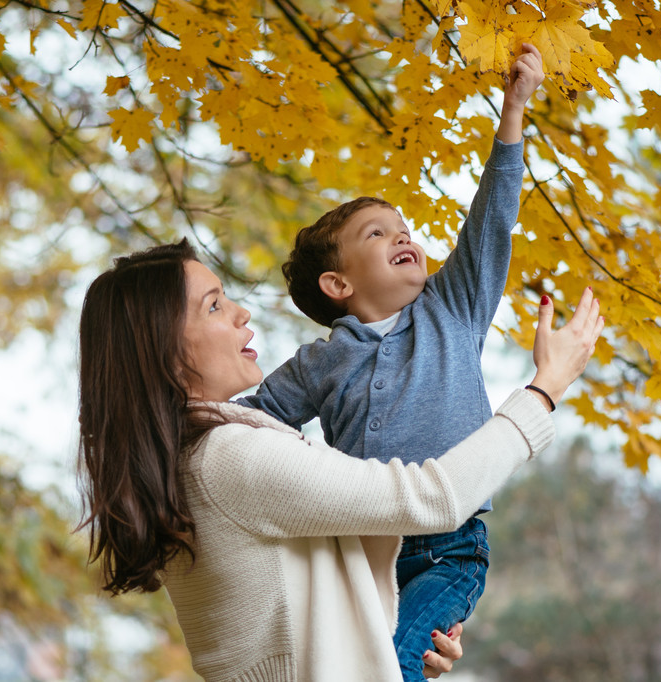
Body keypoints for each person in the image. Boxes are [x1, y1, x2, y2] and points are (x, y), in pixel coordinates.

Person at [78, 239, 603, 681]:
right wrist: (544, 389)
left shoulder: (190, 462)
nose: (242, 313)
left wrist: (392, 645)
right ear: (164, 350)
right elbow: (430, 497)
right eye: (214, 306)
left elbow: (295, 621)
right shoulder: (230, 456)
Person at [237, 44, 547, 679]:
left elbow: (491, 223)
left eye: (402, 228)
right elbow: (249, 425)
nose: (402, 236)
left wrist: (512, 111)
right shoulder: (318, 364)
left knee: (395, 666)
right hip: (356, 551)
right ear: (337, 285)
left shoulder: (451, 310)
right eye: (376, 234)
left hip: (449, 549)